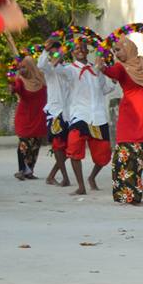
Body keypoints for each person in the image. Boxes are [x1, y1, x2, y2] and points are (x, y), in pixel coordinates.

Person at [102, 37, 143, 205]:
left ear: (128, 48)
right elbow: (111, 72)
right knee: (123, 158)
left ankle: (133, 196)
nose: (116, 54)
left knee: (138, 159)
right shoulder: (121, 68)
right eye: (114, 51)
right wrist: (102, 66)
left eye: (118, 50)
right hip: (129, 118)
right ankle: (127, 196)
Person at [56, 39, 111, 196]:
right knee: (74, 149)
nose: (80, 50)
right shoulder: (69, 70)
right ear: (71, 52)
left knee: (103, 156)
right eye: (76, 48)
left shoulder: (97, 69)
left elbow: (105, 88)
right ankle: (81, 186)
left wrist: (107, 74)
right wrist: (58, 51)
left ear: (88, 51)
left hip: (98, 116)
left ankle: (92, 177)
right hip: (79, 115)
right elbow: (54, 67)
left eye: (83, 48)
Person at [36, 40, 71, 187]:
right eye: (53, 53)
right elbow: (41, 65)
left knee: (70, 148)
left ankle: (51, 176)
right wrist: (45, 50)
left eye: (59, 52)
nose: (56, 55)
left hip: (70, 113)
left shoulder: (69, 68)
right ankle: (65, 178)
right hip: (55, 112)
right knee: (58, 145)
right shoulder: (49, 70)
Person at [11, 55, 47, 180]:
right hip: (24, 117)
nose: (23, 70)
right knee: (24, 144)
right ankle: (21, 170)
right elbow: (15, 89)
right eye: (21, 67)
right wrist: (12, 86)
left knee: (36, 145)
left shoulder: (42, 78)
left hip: (39, 117)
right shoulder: (20, 80)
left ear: (32, 67)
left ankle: (29, 171)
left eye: (25, 67)